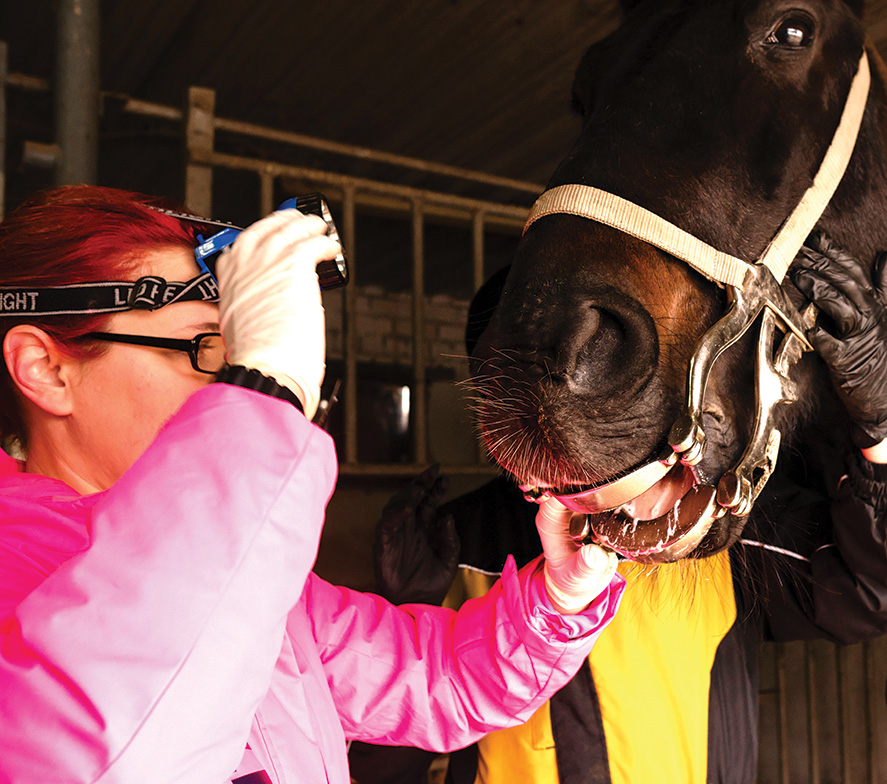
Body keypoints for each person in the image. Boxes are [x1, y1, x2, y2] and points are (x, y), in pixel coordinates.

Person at [0, 186, 625, 784]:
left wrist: (556, 605)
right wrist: (263, 394)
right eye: (205, 352)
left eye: (240, 355)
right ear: (46, 369)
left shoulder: (263, 591)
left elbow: (440, 681)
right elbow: (100, 753)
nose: (228, 387)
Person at [368, 239, 887, 784]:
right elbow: (390, 747)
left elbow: (884, 581)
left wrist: (884, 416)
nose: (548, 401)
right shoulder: (459, 541)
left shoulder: (709, 515)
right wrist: (404, 608)